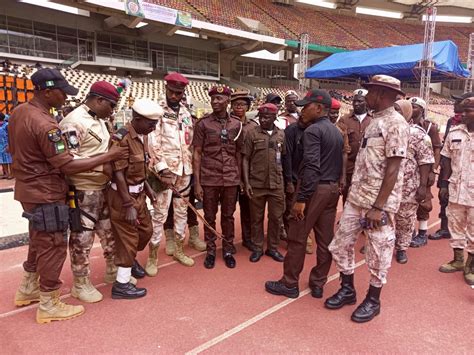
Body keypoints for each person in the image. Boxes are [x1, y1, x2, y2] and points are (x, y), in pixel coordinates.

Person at [9, 68, 127, 323]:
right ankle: (49, 303)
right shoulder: (47, 123)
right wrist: (109, 156)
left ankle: (28, 287)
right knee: (52, 245)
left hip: (27, 187)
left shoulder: (19, 112)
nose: (66, 97)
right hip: (46, 191)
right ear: (48, 91)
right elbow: (68, 164)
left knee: (38, 241)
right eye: (62, 92)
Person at [326, 75, 409, 323]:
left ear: (382, 94)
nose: (364, 97)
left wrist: (378, 207)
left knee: (378, 251)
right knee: (340, 244)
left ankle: (373, 299)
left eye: (369, 92)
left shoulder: (395, 123)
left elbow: (394, 168)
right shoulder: (375, 122)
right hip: (357, 198)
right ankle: (347, 288)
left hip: (377, 205)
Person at [265, 89, 343, 299]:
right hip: (332, 189)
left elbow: (310, 167)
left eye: (306, 106)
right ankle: (318, 282)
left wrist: (301, 199)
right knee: (325, 239)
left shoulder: (312, 132)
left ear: (319, 108)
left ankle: (289, 283)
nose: (301, 111)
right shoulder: (336, 131)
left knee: (297, 236)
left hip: (313, 189)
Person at [59, 81, 122, 303]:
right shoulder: (74, 122)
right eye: (111, 105)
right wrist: (106, 159)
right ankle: (80, 283)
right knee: (82, 238)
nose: (112, 110)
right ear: (99, 100)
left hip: (101, 188)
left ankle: (113, 269)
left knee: (108, 233)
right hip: (83, 189)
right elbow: (69, 161)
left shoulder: (99, 120)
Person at [147, 72, 203, 275]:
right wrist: (162, 169)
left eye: (179, 93)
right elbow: (153, 143)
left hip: (184, 170)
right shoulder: (157, 111)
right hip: (165, 172)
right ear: (166, 88)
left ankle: (179, 249)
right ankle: (152, 256)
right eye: (172, 91)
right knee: (160, 214)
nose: (175, 96)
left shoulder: (186, 113)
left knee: (181, 212)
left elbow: (188, 142)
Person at [108, 98, 159, 299]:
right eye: (151, 123)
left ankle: (129, 259)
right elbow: (118, 174)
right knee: (128, 238)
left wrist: (148, 189)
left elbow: (140, 169)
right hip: (123, 198)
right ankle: (121, 285)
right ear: (137, 119)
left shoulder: (141, 135)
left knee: (146, 231)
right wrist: (128, 204)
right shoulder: (121, 138)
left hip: (138, 194)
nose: (154, 128)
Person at [193, 86, 242, 269]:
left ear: (228, 101)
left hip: (230, 178)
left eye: (219, 98)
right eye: (213, 98)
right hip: (209, 177)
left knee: (228, 216)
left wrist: (240, 179)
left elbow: (238, 154)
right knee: (209, 216)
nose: (215, 101)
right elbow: (197, 153)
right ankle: (211, 250)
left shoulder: (237, 124)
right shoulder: (203, 124)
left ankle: (228, 249)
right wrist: (197, 183)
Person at [438, 94, 474, 286]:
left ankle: (471, 266)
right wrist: (443, 184)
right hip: (455, 189)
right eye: (463, 110)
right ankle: (458, 260)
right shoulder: (454, 132)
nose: (463, 114)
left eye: (468, 111)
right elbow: (446, 159)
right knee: (455, 225)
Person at [242, 103, 285, 263]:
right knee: (256, 219)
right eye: (261, 117)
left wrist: (287, 183)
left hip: (276, 184)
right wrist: (246, 183)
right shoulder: (252, 134)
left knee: (276, 218)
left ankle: (272, 248)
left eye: (267, 117)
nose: (264, 119)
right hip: (257, 184)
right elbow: (245, 159)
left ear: (275, 117)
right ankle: (258, 248)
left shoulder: (281, 135)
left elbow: (284, 159)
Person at [393, 100, 434, 264]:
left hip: (408, 186)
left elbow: (425, 161)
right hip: (386, 186)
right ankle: (383, 244)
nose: (396, 112)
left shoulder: (418, 134)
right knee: (385, 217)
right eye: (394, 109)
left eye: (399, 110)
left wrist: (423, 187)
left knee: (405, 219)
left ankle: (402, 248)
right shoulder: (386, 129)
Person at [431, 93, 468, 240]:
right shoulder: (450, 121)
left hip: (466, 168)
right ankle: (444, 228)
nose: (454, 104)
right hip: (448, 166)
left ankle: (463, 229)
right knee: (444, 197)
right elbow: (445, 142)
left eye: (458, 102)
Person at [409, 97, 442, 247]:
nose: (411, 109)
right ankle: (409, 231)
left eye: (414, 107)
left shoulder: (430, 127)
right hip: (408, 170)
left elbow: (437, 148)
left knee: (424, 201)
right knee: (406, 201)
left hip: (424, 169)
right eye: (410, 106)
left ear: (421, 110)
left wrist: (433, 170)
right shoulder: (404, 124)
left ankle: (422, 233)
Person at [231, 90, 258, 251]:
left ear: (248, 107)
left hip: (248, 174)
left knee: (248, 209)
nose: (238, 107)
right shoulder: (227, 123)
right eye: (235, 104)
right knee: (228, 210)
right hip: (231, 172)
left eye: (242, 104)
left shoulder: (253, 126)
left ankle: (248, 239)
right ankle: (228, 240)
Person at [338, 89, 373, 204]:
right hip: (349, 165)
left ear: (367, 102)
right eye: (354, 101)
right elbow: (340, 143)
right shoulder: (344, 119)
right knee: (347, 195)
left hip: (367, 166)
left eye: (360, 101)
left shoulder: (374, 120)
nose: (356, 103)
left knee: (365, 196)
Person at [0, 113, 13, 179]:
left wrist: (9, 144)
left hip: (7, 144)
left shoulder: (6, 125)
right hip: (0, 145)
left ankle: (12, 174)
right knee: (2, 160)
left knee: (9, 160)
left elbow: (10, 135)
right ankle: (6, 173)